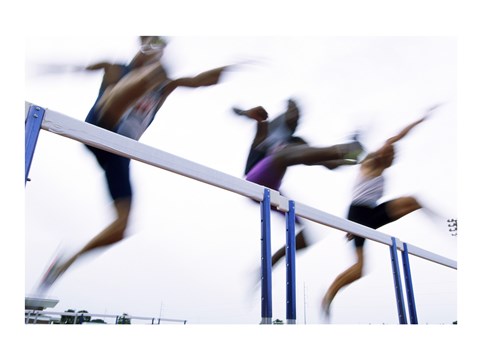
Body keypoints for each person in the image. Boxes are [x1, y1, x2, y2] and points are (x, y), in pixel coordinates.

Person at [37, 36, 233, 292]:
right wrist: (52, 67)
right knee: (130, 86)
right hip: (101, 126)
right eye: (149, 47)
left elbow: (200, 81)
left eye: (156, 50)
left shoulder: (165, 86)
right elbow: (79, 68)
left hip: (118, 153)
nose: (153, 55)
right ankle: (139, 78)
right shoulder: (116, 68)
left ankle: (65, 263)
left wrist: (232, 67)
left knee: (122, 227)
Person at [320, 106, 439, 320]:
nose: (389, 154)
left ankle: (445, 221)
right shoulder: (372, 160)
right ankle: (329, 295)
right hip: (358, 212)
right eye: (389, 152)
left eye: (392, 156)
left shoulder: (383, 170)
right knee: (359, 268)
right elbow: (397, 136)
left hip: (372, 213)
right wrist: (420, 120)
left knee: (414, 201)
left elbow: (395, 143)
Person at [233, 99, 364, 268]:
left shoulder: (298, 142)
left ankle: (271, 262)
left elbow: (329, 164)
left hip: (272, 191)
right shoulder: (268, 130)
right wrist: (247, 113)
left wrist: (353, 160)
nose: (296, 118)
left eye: (298, 115)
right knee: (284, 154)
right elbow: (238, 111)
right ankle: (342, 148)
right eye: (293, 112)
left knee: (306, 236)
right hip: (253, 181)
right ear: (285, 114)